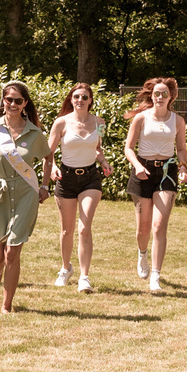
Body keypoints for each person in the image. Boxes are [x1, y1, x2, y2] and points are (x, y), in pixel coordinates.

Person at [0, 80, 51, 312]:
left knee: (13, 251)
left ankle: (7, 305)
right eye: (8, 99)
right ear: (3, 101)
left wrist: (44, 186)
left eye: (17, 100)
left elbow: (48, 157)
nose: (12, 104)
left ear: (25, 104)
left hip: (25, 194)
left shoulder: (34, 133)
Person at [124, 77, 186, 292]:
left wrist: (184, 166)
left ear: (171, 97)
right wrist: (137, 166)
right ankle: (142, 254)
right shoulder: (141, 118)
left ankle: (156, 276)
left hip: (166, 172)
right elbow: (129, 148)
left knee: (159, 226)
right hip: (143, 170)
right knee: (143, 228)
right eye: (157, 93)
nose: (160, 97)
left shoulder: (177, 120)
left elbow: (180, 148)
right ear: (151, 95)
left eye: (164, 94)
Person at [48, 83, 107, 292]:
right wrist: (53, 166)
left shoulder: (99, 122)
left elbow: (97, 148)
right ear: (71, 100)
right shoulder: (61, 123)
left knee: (84, 227)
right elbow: (49, 152)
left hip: (90, 178)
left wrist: (103, 161)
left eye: (84, 97)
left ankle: (84, 277)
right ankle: (65, 269)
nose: (80, 100)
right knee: (67, 230)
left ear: (90, 100)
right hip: (66, 178)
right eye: (76, 97)